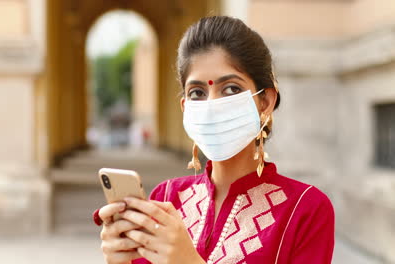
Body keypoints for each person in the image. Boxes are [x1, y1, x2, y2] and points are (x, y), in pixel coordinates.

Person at [94, 16, 335, 264]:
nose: (212, 106)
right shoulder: (166, 199)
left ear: (265, 102)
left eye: (231, 89)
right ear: (185, 107)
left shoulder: (306, 209)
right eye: (197, 92)